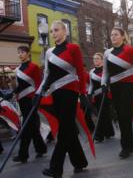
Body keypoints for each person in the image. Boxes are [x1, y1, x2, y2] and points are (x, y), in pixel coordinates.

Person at [40, 20, 88, 178]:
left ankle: (56, 167)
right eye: (52, 31)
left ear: (64, 32)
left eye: (56, 30)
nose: (53, 33)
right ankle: (80, 161)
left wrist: (83, 93)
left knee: (64, 130)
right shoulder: (49, 52)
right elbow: (47, 74)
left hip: (70, 92)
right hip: (56, 92)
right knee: (68, 129)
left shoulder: (73, 48)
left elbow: (80, 72)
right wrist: (39, 93)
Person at [101, 27, 133, 159]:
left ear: (122, 36)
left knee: (125, 114)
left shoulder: (130, 50)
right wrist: (103, 84)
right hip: (115, 86)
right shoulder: (107, 53)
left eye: (116, 35)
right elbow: (105, 71)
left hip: (129, 85)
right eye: (111, 35)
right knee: (120, 115)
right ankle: (130, 142)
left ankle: (125, 146)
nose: (113, 37)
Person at [7, 46, 47, 163]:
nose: (20, 54)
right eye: (18, 52)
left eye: (22, 52)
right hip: (22, 100)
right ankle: (41, 148)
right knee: (33, 127)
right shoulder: (18, 69)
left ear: (28, 54)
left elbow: (39, 83)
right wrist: (12, 92)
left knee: (26, 127)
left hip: (32, 99)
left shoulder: (34, 67)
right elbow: (19, 86)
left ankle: (23, 154)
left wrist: (38, 97)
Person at [88, 52, 114, 142]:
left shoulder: (105, 70)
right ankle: (108, 132)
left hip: (105, 95)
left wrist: (107, 87)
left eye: (97, 58)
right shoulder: (91, 72)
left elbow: (110, 82)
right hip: (97, 97)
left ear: (102, 60)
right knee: (102, 115)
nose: (95, 60)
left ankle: (100, 135)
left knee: (103, 115)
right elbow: (91, 85)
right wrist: (89, 94)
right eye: (94, 59)